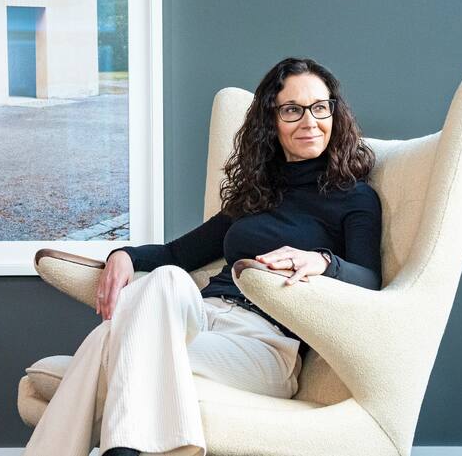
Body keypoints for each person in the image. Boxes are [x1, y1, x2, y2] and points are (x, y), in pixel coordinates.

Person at [22, 57, 382, 456]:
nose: (310, 121)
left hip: (263, 346)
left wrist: (323, 262)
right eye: (292, 110)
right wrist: (123, 254)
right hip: (200, 320)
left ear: (334, 111)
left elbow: (370, 280)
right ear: (271, 121)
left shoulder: (354, 197)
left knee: (115, 338)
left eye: (319, 107)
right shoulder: (257, 194)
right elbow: (177, 253)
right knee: (166, 280)